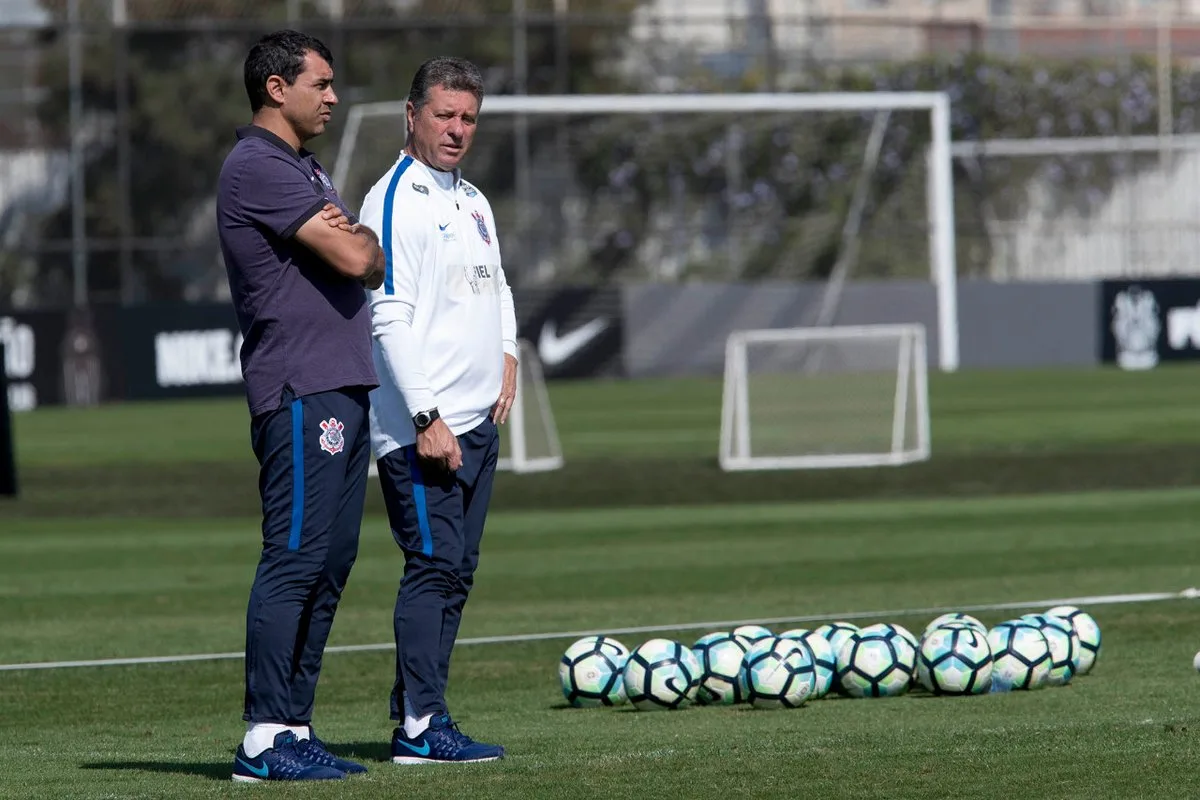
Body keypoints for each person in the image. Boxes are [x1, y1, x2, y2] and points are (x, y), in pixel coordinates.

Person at [216, 29, 384, 783]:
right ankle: (261, 739)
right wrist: (361, 240)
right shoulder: (259, 165)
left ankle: (294, 724)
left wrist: (362, 241)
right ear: (276, 88)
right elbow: (359, 256)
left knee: (332, 560)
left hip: (342, 384)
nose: (334, 96)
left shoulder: (305, 168)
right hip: (299, 386)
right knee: (293, 557)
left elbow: (366, 256)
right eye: (321, 82)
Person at [358, 56, 517, 764]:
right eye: (445, 115)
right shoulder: (395, 200)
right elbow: (386, 317)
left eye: (468, 118)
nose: (457, 130)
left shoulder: (473, 199)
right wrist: (425, 418)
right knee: (431, 564)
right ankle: (421, 727)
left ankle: (420, 709)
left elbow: (498, 284)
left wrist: (508, 349)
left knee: (457, 569)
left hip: (477, 423)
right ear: (412, 114)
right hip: (424, 431)